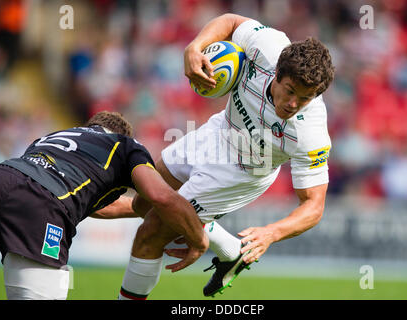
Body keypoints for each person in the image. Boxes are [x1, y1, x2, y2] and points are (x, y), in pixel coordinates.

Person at [117, 13, 335, 299]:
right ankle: (231, 250)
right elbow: (231, 22)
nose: (294, 104)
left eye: (305, 98)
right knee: (146, 200)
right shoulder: (268, 46)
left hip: (243, 170)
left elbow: (314, 205)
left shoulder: (311, 132)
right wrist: (194, 48)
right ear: (277, 73)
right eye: (290, 91)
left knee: (151, 231)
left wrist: (272, 233)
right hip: (219, 130)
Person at [0, 111, 208, 300]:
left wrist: (143, 209)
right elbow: (160, 196)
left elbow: (91, 202)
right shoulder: (124, 144)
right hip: (41, 206)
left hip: (1, 176)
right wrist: (198, 239)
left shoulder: (53, 136)